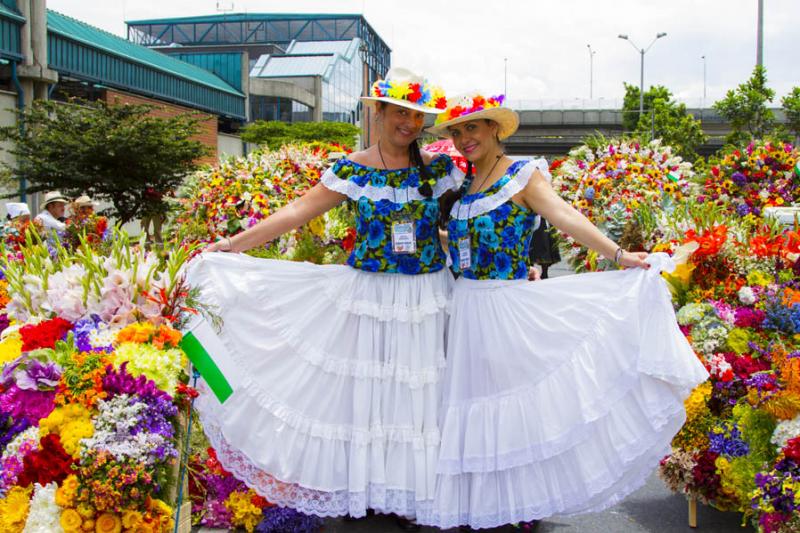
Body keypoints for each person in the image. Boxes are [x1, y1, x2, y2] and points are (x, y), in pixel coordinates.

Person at [417, 93, 709, 529]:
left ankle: (519, 505)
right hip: (466, 309)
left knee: (512, 406)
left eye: (471, 128)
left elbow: (563, 215)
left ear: (495, 129)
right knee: (474, 403)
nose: (463, 139)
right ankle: (482, 503)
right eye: (456, 132)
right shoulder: (465, 186)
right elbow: (465, 244)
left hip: (507, 308)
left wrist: (618, 254)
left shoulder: (523, 175)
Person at [187, 68, 462, 522]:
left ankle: (417, 492)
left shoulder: (440, 170)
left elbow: (469, 216)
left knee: (420, 397)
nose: (409, 123)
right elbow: (299, 210)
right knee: (371, 393)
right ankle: (372, 488)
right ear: (378, 112)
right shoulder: (352, 168)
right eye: (399, 112)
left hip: (427, 298)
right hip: (369, 297)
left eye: (416, 115)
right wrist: (232, 245)